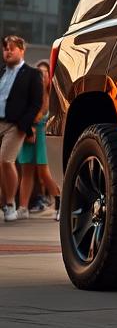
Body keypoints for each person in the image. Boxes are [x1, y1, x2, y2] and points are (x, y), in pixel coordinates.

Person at [0, 35, 44, 223]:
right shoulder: (1, 71)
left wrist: (24, 127)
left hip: (14, 125)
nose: (7, 51)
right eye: (5, 49)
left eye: (12, 48)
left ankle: (10, 204)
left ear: (22, 50)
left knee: (5, 161)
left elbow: (36, 104)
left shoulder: (32, 74)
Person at [16, 59, 61, 219]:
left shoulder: (54, 95)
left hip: (44, 135)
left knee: (44, 171)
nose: (42, 77)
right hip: (29, 133)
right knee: (26, 170)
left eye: (45, 73)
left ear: (50, 76)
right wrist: (29, 130)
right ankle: (23, 208)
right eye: (39, 73)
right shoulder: (29, 93)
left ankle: (60, 204)